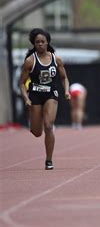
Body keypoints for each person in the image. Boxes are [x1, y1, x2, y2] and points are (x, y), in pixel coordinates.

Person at [18, 28, 70, 170]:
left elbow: (64, 78)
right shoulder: (30, 61)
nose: (40, 44)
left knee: (48, 125)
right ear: (34, 44)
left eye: (43, 42)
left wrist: (66, 91)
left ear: (47, 43)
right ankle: (36, 118)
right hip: (35, 95)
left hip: (51, 94)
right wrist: (26, 98)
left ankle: (49, 160)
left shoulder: (56, 59)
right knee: (37, 132)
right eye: (37, 42)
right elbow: (21, 83)